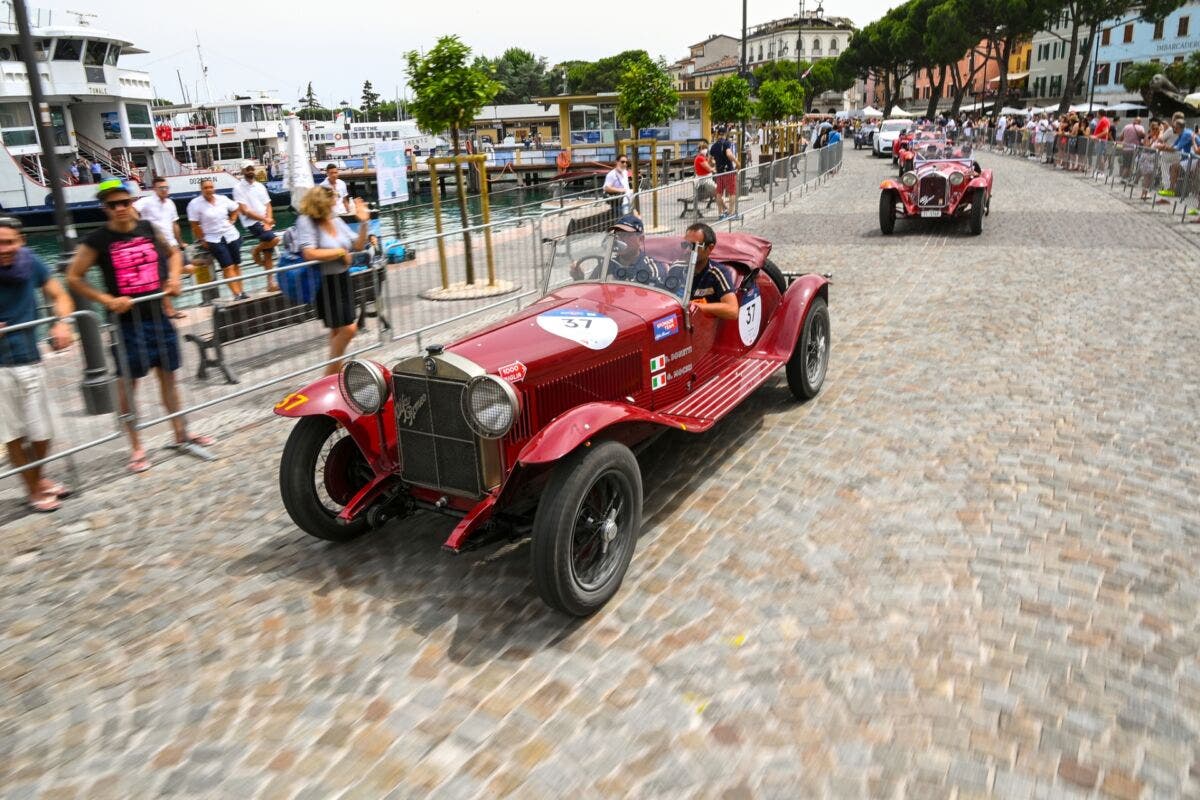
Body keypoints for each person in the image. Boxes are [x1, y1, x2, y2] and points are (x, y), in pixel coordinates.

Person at [66, 180, 215, 474]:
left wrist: (173, 280)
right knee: (128, 385)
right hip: (127, 324)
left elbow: (173, 254)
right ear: (104, 208)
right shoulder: (98, 240)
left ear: (132, 201)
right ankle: (136, 447)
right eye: (112, 205)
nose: (120, 208)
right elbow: (73, 277)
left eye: (124, 202)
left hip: (158, 316)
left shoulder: (147, 228)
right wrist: (107, 300)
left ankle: (181, 433)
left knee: (169, 378)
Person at [0, 217, 74, 512]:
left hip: (30, 357)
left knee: (43, 430)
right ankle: (33, 489)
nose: (3, 248)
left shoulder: (31, 263)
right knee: (13, 433)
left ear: (21, 242)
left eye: (9, 242)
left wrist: (63, 323)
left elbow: (59, 295)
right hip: (0, 366)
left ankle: (39, 478)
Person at [292, 186, 371, 375]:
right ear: (321, 204)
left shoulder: (334, 220)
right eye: (332, 202)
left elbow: (358, 245)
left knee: (337, 331)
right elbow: (309, 252)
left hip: (342, 278)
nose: (336, 205)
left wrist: (364, 223)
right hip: (325, 283)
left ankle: (334, 375)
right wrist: (340, 252)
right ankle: (329, 375)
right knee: (349, 329)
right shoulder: (306, 221)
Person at [134, 176, 189, 319]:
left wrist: (180, 242)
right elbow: (132, 211)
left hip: (172, 244)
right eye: (161, 188)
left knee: (190, 268)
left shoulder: (170, 203)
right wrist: (140, 229)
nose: (164, 190)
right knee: (163, 280)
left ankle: (171, 282)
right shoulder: (146, 201)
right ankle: (170, 310)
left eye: (166, 188)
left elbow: (174, 224)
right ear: (154, 189)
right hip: (155, 246)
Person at [187, 178, 246, 299]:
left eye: (210, 187)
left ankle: (242, 291)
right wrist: (202, 239)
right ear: (201, 189)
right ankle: (236, 294)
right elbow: (194, 225)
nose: (208, 190)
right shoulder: (194, 204)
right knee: (227, 266)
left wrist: (233, 220)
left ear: (214, 188)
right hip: (213, 238)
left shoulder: (222, 199)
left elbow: (235, 208)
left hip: (231, 235)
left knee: (236, 265)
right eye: (205, 188)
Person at [233, 161, 281, 292]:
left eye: (251, 169)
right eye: (247, 169)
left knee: (268, 254)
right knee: (274, 240)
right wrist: (265, 219)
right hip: (252, 222)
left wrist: (268, 220)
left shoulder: (260, 186)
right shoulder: (238, 188)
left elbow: (268, 205)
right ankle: (255, 250)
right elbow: (245, 211)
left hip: (264, 221)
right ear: (242, 171)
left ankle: (270, 284)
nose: (250, 171)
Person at [684, 222, 739, 321]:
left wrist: (695, 306)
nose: (687, 250)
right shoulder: (677, 268)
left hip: (706, 329)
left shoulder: (717, 273)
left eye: (693, 246)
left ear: (710, 248)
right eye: (685, 245)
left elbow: (733, 310)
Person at [709, 127, 739, 221]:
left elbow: (710, 160)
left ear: (718, 134)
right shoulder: (727, 143)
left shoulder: (714, 146)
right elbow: (729, 154)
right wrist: (737, 162)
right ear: (725, 134)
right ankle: (731, 213)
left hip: (719, 173)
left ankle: (721, 214)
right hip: (728, 171)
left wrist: (715, 163)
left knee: (719, 193)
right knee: (732, 193)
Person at [693, 139, 715, 203]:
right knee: (718, 191)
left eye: (705, 148)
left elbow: (710, 165)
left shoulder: (704, 157)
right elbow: (709, 169)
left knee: (718, 192)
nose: (704, 150)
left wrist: (711, 160)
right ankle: (725, 208)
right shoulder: (700, 158)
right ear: (699, 150)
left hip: (706, 179)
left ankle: (723, 206)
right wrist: (714, 168)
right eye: (702, 148)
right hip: (703, 181)